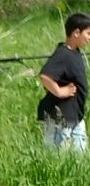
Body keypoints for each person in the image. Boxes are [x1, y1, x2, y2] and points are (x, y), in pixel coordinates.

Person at [38, 12, 89, 153]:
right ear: (76, 33)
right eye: (88, 33)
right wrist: (60, 91)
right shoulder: (63, 54)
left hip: (75, 117)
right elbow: (45, 76)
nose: (89, 38)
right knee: (58, 156)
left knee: (78, 160)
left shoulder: (75, 52)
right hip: (60, 120)